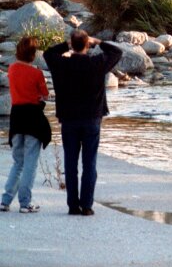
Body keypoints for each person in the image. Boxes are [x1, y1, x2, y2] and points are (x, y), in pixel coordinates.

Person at [44, 30, 122, 216]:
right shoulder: (96, 63)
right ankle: (87, 205)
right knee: (90, 164)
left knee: (70, 164)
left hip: (69, 119)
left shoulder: (61, 64)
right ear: (87, 45)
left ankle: (72, 205)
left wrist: (66, 45)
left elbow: (47, 54)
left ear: (72, 44)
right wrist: (98, 42)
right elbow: (116, 53)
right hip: (92, 119)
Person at [1, 36, 51, 213]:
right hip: (33, 118)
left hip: (17, 117)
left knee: (18, 162)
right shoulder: (37, 73)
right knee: (30, 162)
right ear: (33, 54)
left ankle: (5, 200)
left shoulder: (12, 69)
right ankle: (25, 202)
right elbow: (45, 95)